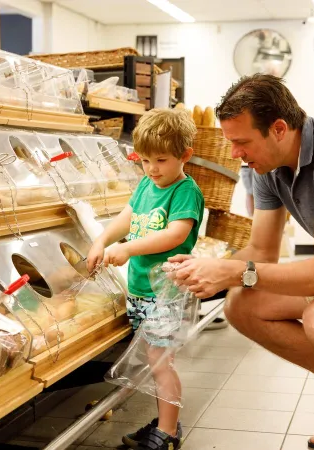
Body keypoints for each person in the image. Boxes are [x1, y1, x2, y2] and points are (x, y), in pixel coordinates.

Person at [170, 73, 314, 450]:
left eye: (242, 142)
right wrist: (206, 266)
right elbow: (261, 252)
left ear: (279, 129)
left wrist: (234, 272)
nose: (235, 153)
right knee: (243, 304)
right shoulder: (267, 168)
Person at [87, 108, 204, 450]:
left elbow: (173, 235)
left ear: (185, 155)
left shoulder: (185, 191)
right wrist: (100, 241)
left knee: (160, 361)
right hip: (141, 291)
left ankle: (167, 432)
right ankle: (164, 420)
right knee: (156, 361)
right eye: (145, 160)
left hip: (166, 293)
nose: (152, 168)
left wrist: (129, 249)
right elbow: (127, 217)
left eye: (162, 160)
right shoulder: (146, 184)